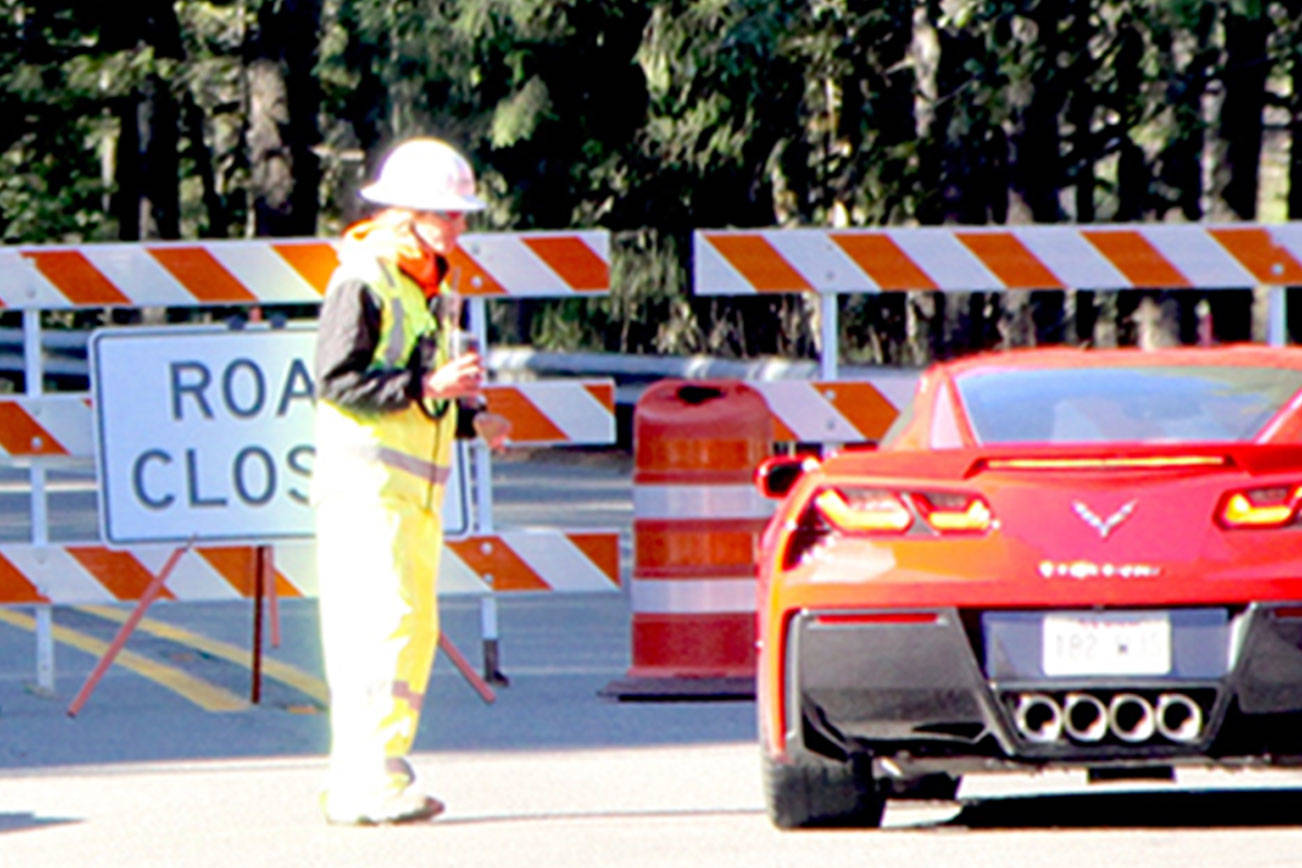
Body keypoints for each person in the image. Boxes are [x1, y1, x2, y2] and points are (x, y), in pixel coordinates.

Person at [311, 137, 510, 825]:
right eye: (446, 214)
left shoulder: (424, 284)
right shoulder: (366, 279)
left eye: (460, 215)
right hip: (368, 486)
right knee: (386, 627)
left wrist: (469, 417)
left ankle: (366, 777)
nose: (458, 226)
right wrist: (430, 385)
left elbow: (420, 389)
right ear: (406, 214)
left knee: (403, 628)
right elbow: (337, 380)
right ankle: (374, 778)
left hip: (407, 491)